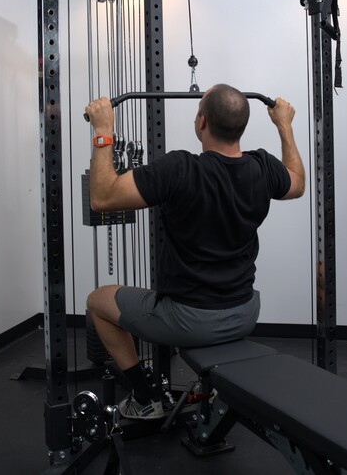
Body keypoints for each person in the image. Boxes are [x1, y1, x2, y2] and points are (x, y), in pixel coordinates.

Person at [83, 83, 305, 419]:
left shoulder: (180, 169)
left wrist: (103, 132)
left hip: (190, 321)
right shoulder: (263, 166)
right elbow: (297, 182)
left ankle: (144, 399)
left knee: (98, 301)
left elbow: (102, 197)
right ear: (242, 126)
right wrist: (284, 126)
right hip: (245, 313)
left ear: (202, 123)